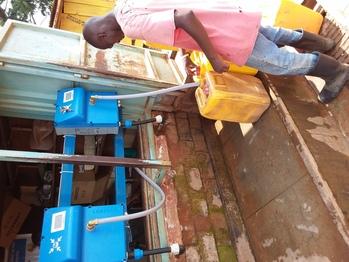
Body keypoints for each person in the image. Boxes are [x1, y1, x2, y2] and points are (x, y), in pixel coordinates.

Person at [82, 1, 349, 104]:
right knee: (269, 33)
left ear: (103, 35)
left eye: (110, 43)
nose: (116, 43)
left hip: (221, 35)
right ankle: (321, 43)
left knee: (279, 63)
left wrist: (213, 57)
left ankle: (336, 72)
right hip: (223, 15)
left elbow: (184, 17)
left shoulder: (130, 24)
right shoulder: (126, 4)